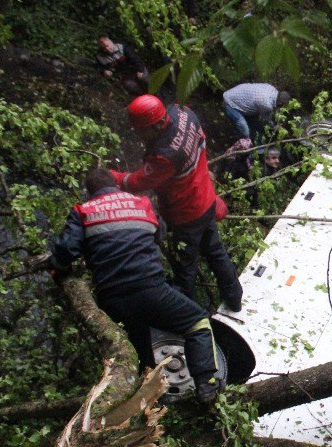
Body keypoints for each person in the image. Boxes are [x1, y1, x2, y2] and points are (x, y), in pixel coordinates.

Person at [49, 168, 222, 404]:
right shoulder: (142, 203)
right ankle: (206, 386)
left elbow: (66, 251)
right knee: (198, 321)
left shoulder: (82, 211)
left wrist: (57, 266)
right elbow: (159, 233)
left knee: (138, 340)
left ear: (89, 192)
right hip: (151, 289)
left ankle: (150, 397)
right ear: (117, 186)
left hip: (111, 298)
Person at [110, 94, 243, 311]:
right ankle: (235, 298)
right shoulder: (184, 113)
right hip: (206, 199)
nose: (139, 135)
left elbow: (139, 181)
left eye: (140, 130)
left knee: (185, 268)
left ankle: (187, 315)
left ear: (154, 126)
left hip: (186, 214)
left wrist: (113, 178)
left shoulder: (164, 155)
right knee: (216, 252)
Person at [222, 83, 291, 143]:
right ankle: (240, 147)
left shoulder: (271, 88)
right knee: (245, 132)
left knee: (255, 124)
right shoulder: (266, 104)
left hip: (236, 93)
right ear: (280, 104)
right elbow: (266, 119)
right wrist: (274, 126)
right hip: (230, 103)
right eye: (282, 107)